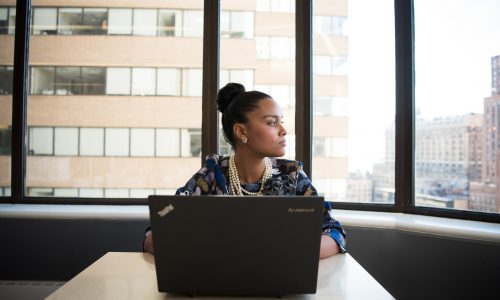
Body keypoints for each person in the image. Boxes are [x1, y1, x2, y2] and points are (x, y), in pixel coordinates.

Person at [143, 82, 346, 259]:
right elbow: (157, 229)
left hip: (279, 281)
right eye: (271, 122)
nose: (283, 130)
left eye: (281, 122)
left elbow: (334, 231)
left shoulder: (292, 175)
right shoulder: (212, 175)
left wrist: (290, 253)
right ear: (241, 131)